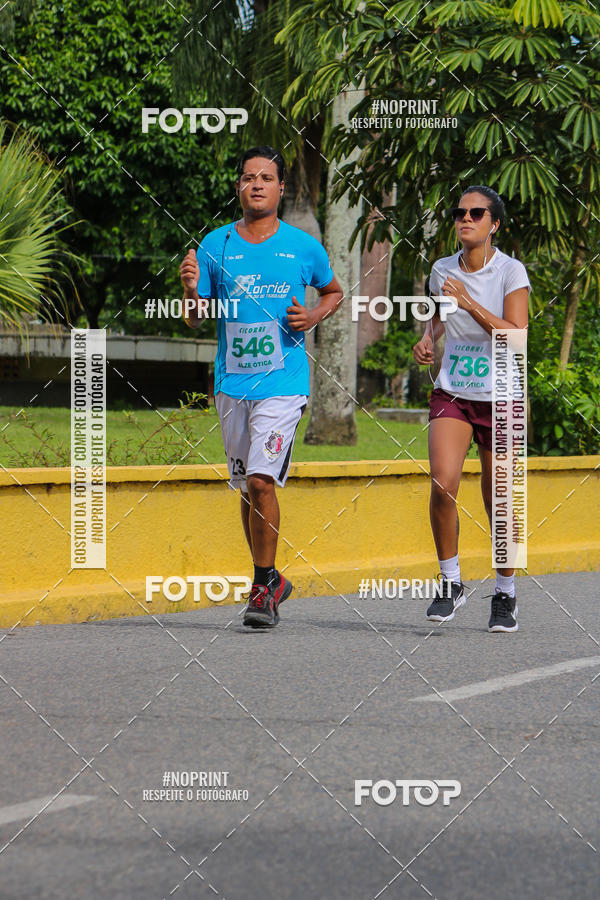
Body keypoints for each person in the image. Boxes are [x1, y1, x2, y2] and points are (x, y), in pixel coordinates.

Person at [179, 146, 343, 628]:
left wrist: (313, 314)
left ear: (280, 188)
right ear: (238, 187)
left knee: (259, 480)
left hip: (284, 384)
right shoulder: (215, 245)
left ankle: (261, 586)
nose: (257, 184)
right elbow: (195, 319)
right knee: (247, 489)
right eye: (248, 177)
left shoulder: (303, 246)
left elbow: (333, 291)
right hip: (231, 385)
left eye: (266, 178)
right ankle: (270, 580)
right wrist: (190, 291)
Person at [413, 185, 530, 632]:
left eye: (476, 213)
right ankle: (451, 582)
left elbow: (515, 334)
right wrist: (428, 338)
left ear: (494, 223)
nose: (466, 218)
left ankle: (505, 593)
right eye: (460, 212)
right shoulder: (441, 269)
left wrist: (469, 302)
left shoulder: (510, 272)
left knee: (499, 501)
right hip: (454, 394)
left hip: (502, 397)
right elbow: (440, 316)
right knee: (443, 486)